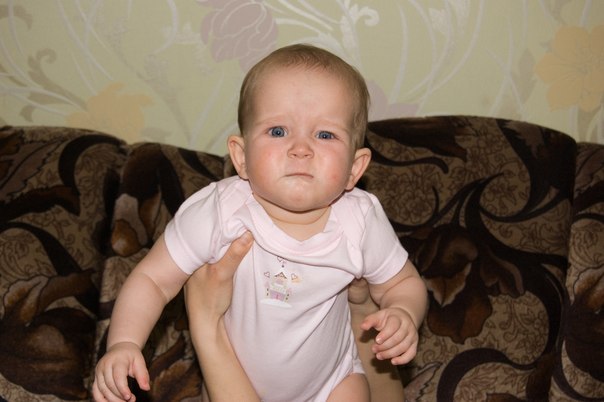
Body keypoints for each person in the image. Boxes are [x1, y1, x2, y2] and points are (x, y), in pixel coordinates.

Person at [92, 44, 427, 402]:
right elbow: (152, 280)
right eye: (278, 131)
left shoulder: (359, 220)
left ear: (354, 169)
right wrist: (124, 343)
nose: (301, 148)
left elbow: (403, 282)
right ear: (241, 157)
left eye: (325, 135)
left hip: (332, 382)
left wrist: (403, 312)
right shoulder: (219, 211)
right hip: (233, 381)